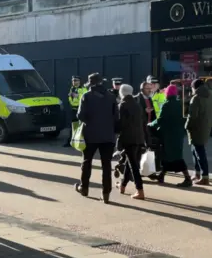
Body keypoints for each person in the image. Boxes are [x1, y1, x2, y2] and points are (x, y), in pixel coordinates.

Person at [74, 73, 118, 203]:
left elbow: (80, 115)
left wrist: (90, 121)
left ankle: (84, 187)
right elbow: (116, 116)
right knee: (106, 164)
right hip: (108, 136)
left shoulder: (86, 96)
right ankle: (106, 193)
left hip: (90, 134)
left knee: (87, 161)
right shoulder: (111, 97)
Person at [148, 85, 192, 187]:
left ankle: (187, 178)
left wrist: (151, 124)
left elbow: (161, 120)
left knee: (173, 156)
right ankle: (162, 175)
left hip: (168, 134)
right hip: (178, 134)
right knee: (170, 155)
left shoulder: (166, 105)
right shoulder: (180, 104)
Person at [116, 84, 149, 200]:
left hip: (128, 138)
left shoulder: (122, 105)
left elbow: (120, 124)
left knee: (133, 165)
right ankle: (122, 185)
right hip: (139, 138)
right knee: (130, 163)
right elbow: (143, 123)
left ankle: (140, 190)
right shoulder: (137, 105)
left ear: (122, 93)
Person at [185, 79, 212, 186]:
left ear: (194, 87)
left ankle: (204, 176)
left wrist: (186, 126)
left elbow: (192, 116)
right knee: (196, 150)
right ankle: (197, 173)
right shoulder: (210, 96)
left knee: (199, 152)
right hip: (205, 127)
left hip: (196, 128)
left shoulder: (196, 98)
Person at [63, 76, 87, 147]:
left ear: (80, 81)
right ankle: (71, 142)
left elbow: (85, 99)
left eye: (76, 81)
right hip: (73, 109)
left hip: (81, 109)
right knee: (73, 127)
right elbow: (71, 99)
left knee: (82, 126)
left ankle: (83, 142)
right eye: (73, 81)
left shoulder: (83, 89)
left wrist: (77, 96)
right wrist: (70, 96)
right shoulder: (72, 88)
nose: (74, 82)